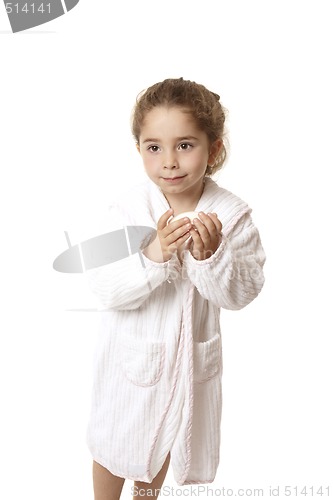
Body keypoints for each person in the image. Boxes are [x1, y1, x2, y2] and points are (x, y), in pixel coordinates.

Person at [86, 77, 266, 500]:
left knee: (162, 441)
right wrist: (154, 256)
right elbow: (105, 287)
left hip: (186, 364)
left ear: (214, 148)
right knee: (115, 442)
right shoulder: (128, 210)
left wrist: (211, 258)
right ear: (140, 151)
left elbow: (243, 293)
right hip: (131, 360)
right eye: (154, 147)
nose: (169, 161)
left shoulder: (231, 216)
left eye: (185, 145)